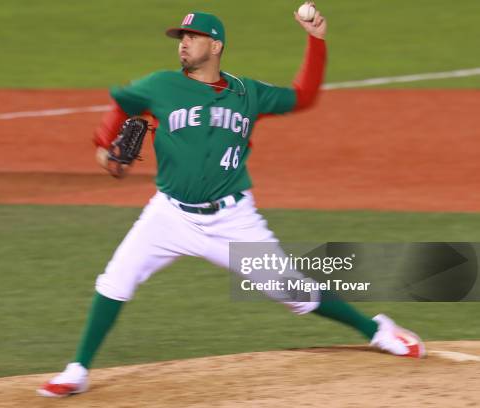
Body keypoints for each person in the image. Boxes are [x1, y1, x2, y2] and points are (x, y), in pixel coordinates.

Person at [38, 6, 425, 398]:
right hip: (169, 215)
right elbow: (122, 101)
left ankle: (378, 330)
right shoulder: (159, 85)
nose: (184, 44)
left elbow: (303, 97)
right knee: (116, 278)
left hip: (232, 220)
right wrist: (105, 148)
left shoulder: (248, 93)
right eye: (181, 38)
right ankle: (78, 369)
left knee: (291, 290)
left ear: (216, 45)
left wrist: (316, 39)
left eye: (192, 37)